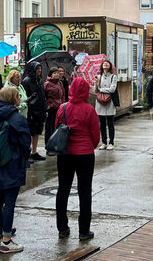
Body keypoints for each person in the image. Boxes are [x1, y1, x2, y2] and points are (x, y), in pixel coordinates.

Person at [55, 77, 100, 241]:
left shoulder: (63, 108)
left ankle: (62, 227)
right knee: (85, 191)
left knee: (63, 189)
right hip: (85, 154)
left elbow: (57, 129)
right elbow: (96, 135)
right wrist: (89, 146)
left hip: (65, 153)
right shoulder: (89, 110)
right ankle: (84, 230)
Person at [0, 87, 31, 254]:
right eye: (18, 95)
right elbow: (25, 143)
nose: (20, 97)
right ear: (13, 99)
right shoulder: (17, 117)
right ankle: (7, 240)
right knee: (10, 202)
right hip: (13, 163)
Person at [21, 61, 46, 162]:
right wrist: (29, 113)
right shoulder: (27, 81)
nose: (39, 71)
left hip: (39, 109)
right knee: (30, 132)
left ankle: (34, 152)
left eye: (40, 69)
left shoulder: (39, 80)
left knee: (36, 132)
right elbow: (26, 97)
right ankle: (28, 152)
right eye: (37, 69)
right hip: (31, 110)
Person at [95, 60, 118, 150]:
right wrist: (96, 82)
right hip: (100, 102)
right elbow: (95, 90)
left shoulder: (113, 77)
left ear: (110, 66)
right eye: (104, 63)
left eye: (107, 63)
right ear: (101, 66)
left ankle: (111, 142)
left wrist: (102, 89)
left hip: (110, 102)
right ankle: (104, 142)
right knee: (102, 124)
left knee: (110, 123)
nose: (105, 64)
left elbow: (112, 89)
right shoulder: (99, 77)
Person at [44, 67, 65, 154]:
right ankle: (49, 147)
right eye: (54, 73)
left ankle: (56, 146)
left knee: (58, 128)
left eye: (57, 73)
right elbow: (44, 96)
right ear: (50, 74)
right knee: (49, 128)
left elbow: (63, 94)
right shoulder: (47, 84)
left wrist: (63, 104)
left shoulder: (60, 83)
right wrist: (47, 106)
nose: (56, 74)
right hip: (51, 109)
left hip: (59, 108)